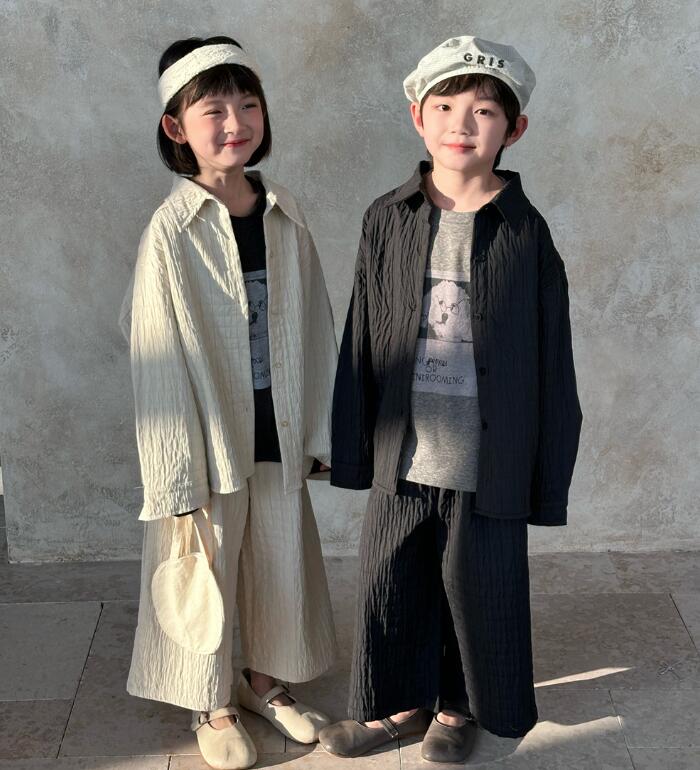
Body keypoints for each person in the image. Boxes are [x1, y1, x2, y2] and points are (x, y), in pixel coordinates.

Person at [319, 35, 582, 763]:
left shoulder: (526, 232)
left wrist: (546, 478)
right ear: (417, 116)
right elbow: (361, 336)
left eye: (484, 111)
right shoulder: (387, 217)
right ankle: (399, 705)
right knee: (393, 578)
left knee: (476, 588)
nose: (461, 123)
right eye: (444, 106)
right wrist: (353, 450)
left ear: (514, 129)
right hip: (404, 450)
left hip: (488, 456)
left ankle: (459, 708)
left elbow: (553, 363)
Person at [119, 36, 338, 770]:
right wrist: (173, 470)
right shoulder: (169, 232)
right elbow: (154, 358)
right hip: (206, 432)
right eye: (213, 109)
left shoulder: (284, 212)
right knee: (204, 564)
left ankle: (263, 680)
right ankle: (209, 702)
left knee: (278, 554)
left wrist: (320, 428)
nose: (235, 122)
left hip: (278, 418)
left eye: (248, 104)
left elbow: (316, 324)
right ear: (176, 128)